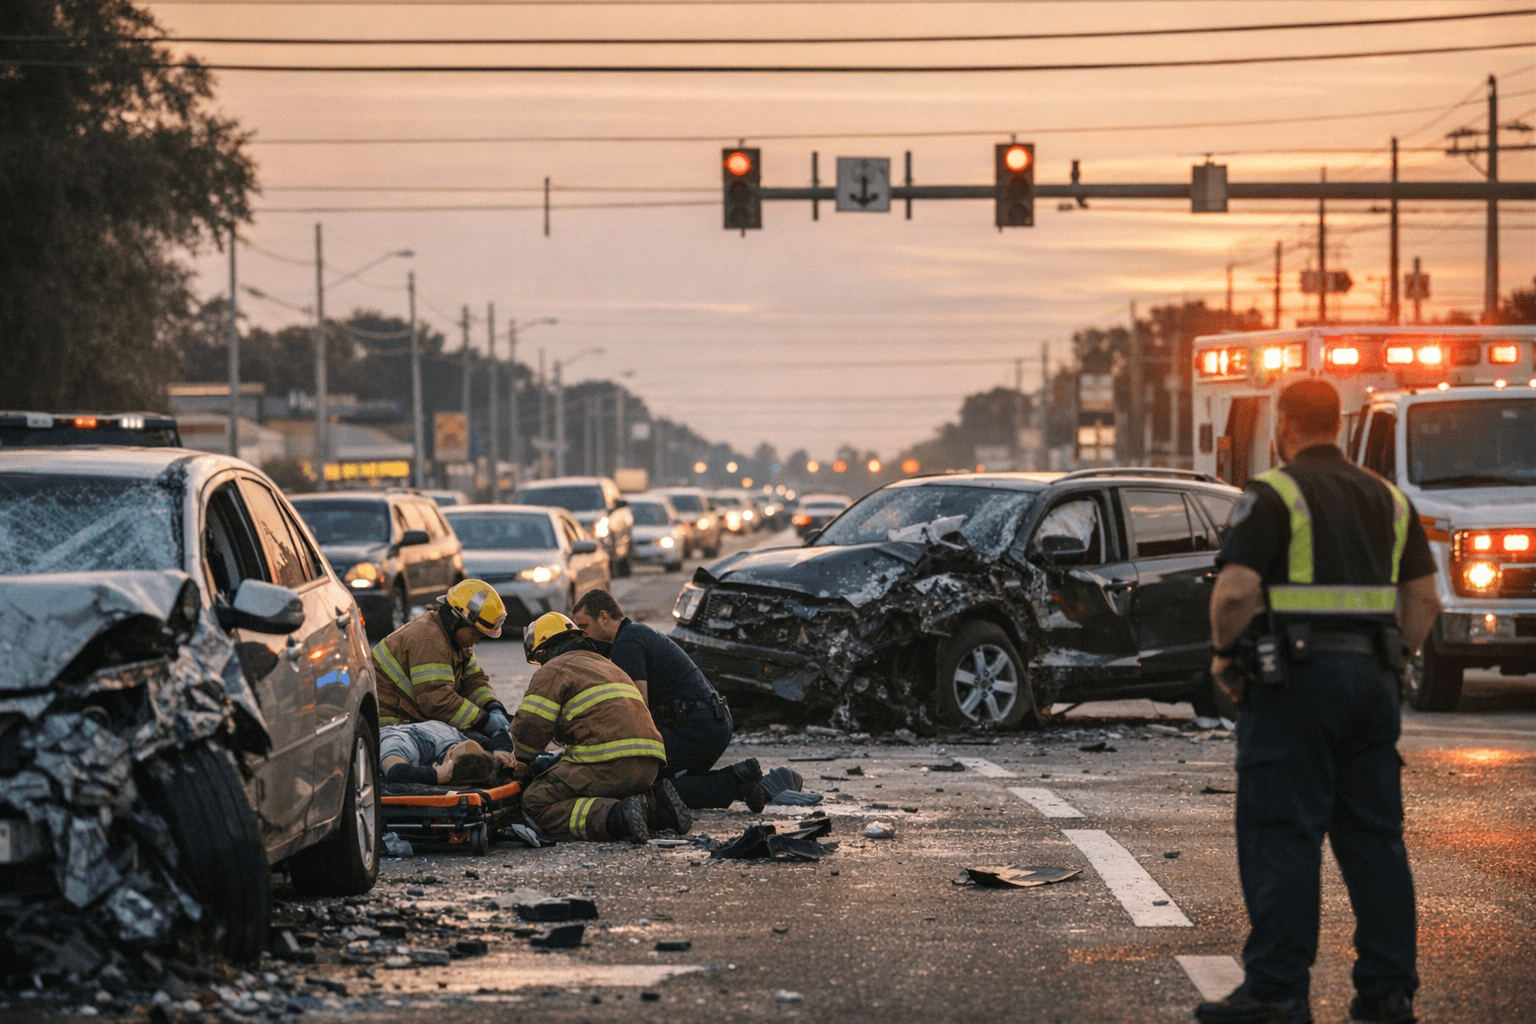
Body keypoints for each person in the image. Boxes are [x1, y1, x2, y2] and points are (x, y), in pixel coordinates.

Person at [1196, 379, 1440, 1024]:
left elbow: (1235, 594)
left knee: (1281, 834)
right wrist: (1398, 659)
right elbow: (1424, 599)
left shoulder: (1274, 494)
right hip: (1373, 685)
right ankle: (1387, 993)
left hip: (1294, 688)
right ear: (1339, 422)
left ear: (1284, 425)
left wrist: (1225, 656)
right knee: (1375, 842)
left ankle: (1277, 991)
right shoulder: (1388, 498)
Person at [571, 590, 767, 812]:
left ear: (604, 617)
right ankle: (742, 784)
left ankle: (736, 780)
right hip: (711, 721)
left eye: (585, 626)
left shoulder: (626, 642)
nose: (583, 636)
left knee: (644, 783)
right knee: (669, 782)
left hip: (696, 726)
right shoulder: (637, 633)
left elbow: (636, 705)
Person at [512, 612, 690, 844]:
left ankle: (613, 817)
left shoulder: (553, 669)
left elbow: (531, 727)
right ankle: (656, 809)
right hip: (649, 763)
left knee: (535, 801)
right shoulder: (607, 665)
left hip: (608, 763)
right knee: (604, 789)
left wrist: (520, 761)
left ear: (542, 651)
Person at [372, 579, 514, 750]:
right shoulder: (429, 641)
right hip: (394, 727)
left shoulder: (453, 640)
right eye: (475, 633)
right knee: (475, 750)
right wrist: (483, 720)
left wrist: (492, 707)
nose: (477, 640)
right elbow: (437, 701)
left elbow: (474, 681)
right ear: (456, 619)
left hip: (416, 718)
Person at [378, 720, 515, 788]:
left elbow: (471, 742)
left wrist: (493, 753)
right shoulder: (401, 743)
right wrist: (436, 775)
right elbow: (395, 771)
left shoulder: (453, 736)